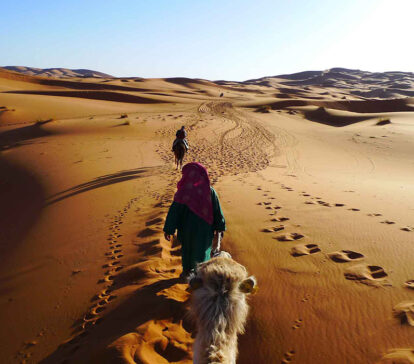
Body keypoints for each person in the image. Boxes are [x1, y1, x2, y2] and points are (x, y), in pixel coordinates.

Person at [163, 162, 226, 278]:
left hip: (186, 231)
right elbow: (217, 211)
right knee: (202, 253)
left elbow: (174, 213)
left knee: (187, 251)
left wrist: (169, 229)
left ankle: (187, 272)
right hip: (204, 231)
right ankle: (199, 276)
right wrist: (220, 227)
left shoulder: (182, 193)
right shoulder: (209, 191)